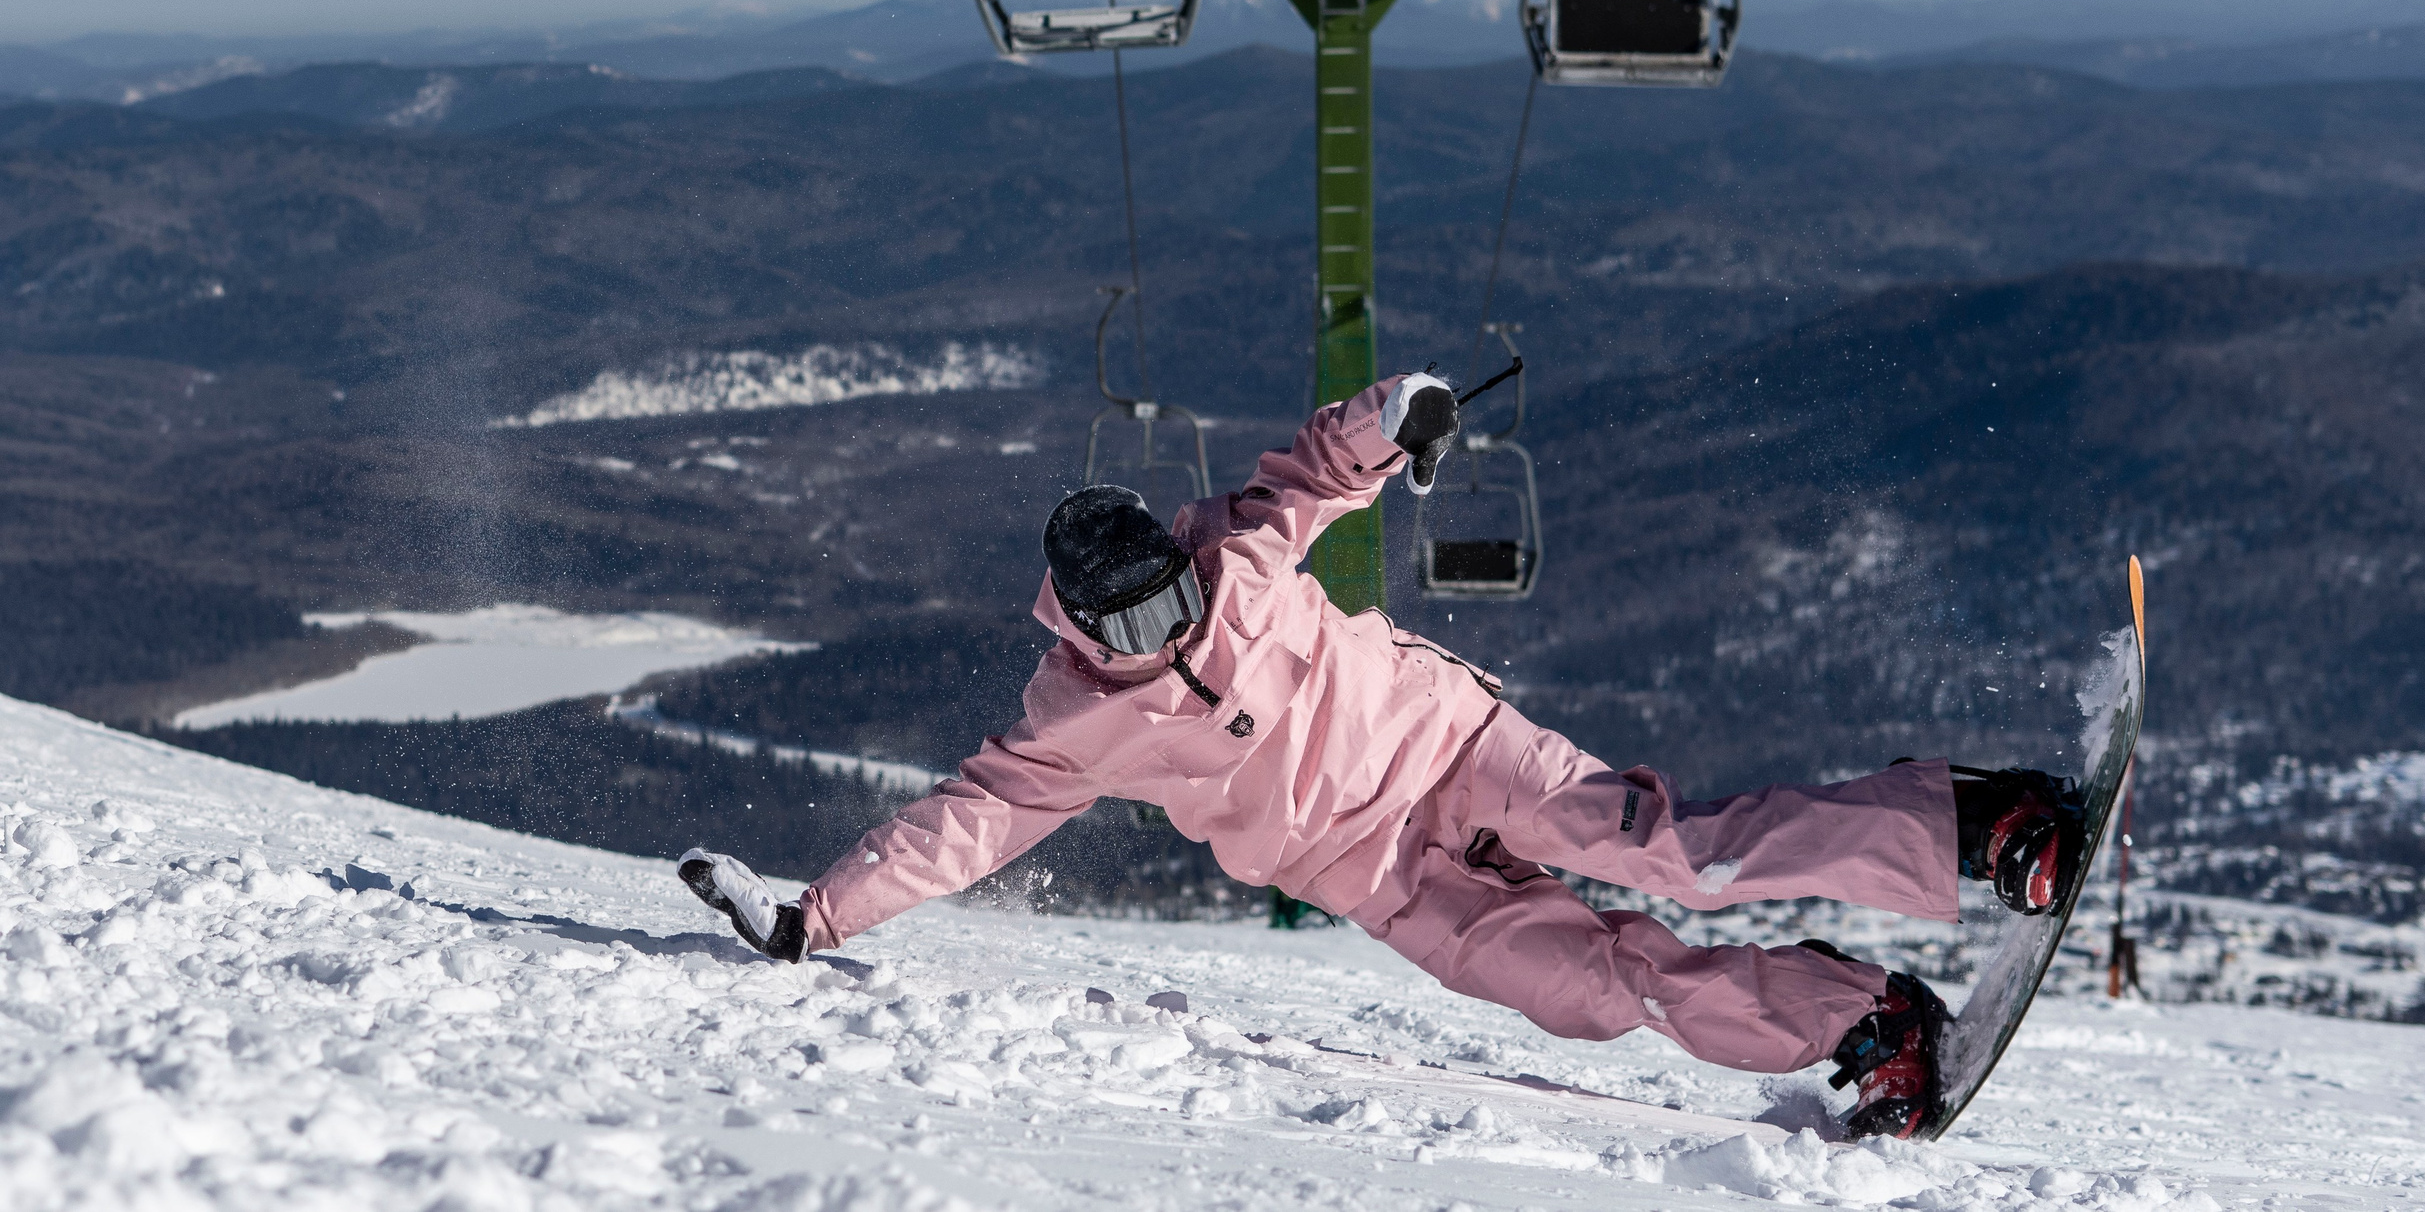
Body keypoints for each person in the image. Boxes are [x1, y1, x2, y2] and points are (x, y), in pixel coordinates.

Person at [681, 373, 2084, 1140]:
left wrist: (1395, 414)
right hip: (1375, 876)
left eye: (1176, 595)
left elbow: (1312, 469)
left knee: (1676, 853)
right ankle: (1862, 1023)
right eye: (1142, 622)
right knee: (1595, 986)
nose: (1177, 628)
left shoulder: (1230, 554)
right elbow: (963, 825)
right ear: (1086, 626)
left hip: (1449, 749)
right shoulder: (1071, 718)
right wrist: (815, 915)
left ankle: (1978, 822)